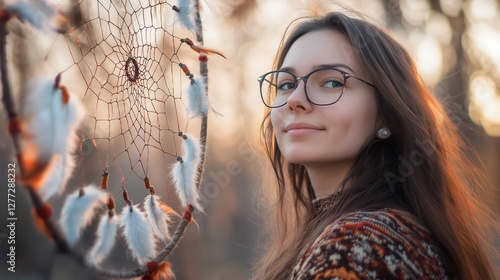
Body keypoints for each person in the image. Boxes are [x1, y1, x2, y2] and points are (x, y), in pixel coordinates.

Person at [253, 11, 498, 280]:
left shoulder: (357, 247)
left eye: (332, 82)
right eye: (286, 84)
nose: (295, 100)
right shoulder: (384, 233)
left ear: (387, 113)